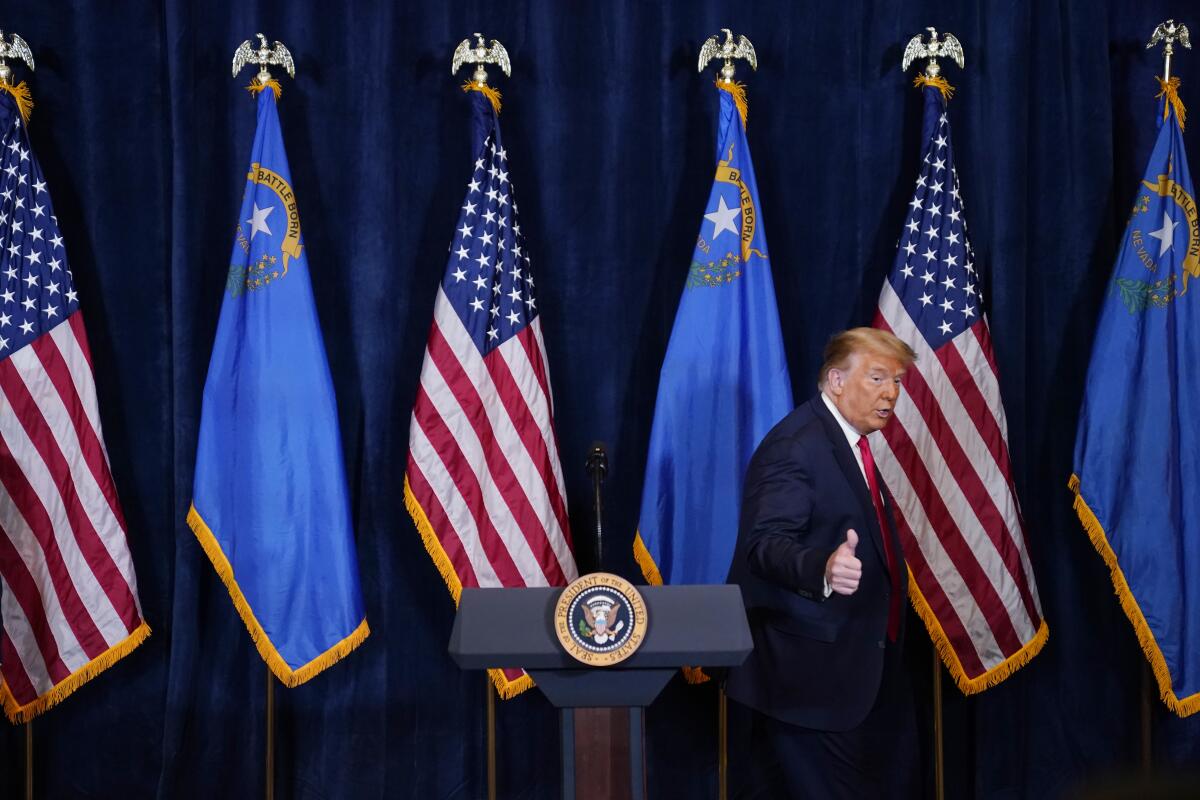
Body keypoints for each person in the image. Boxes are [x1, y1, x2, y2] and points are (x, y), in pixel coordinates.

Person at [727, 327, 919, 799]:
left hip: (859, 671)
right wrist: (822, 569)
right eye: (877, 378)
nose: (890, 393)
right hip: (809, 682)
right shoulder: (796, 445)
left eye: (896, 381)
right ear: (836, 380)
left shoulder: (848, 441)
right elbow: (765, 543)